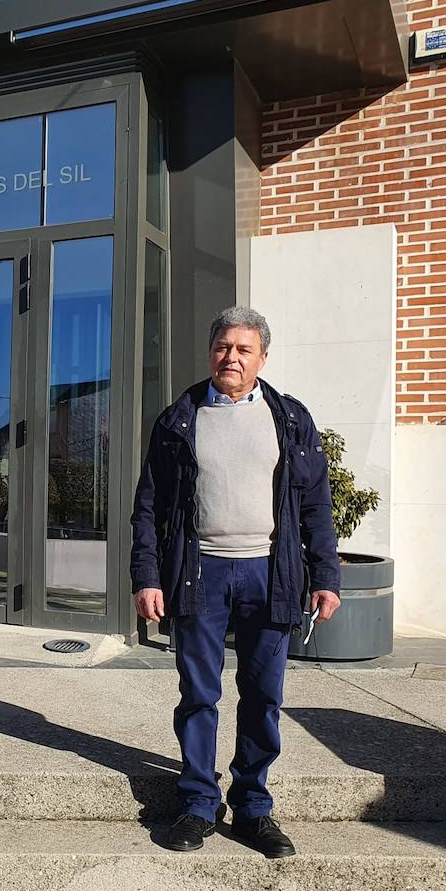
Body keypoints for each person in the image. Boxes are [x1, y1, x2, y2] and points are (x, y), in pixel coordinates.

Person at [129, 305, 341, 858]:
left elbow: (316, 504)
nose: (232, 358)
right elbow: (148, 506)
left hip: (269, 574)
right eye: (224, 347)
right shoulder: (179, 419)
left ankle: (252, 805)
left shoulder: (290, 418)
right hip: (200, 572)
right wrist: (147, 576)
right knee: (199, 693)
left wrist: (326, 575)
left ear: (262, 358)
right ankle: (199, 802)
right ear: (211, 353)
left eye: (244, 350)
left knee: (263, 694)